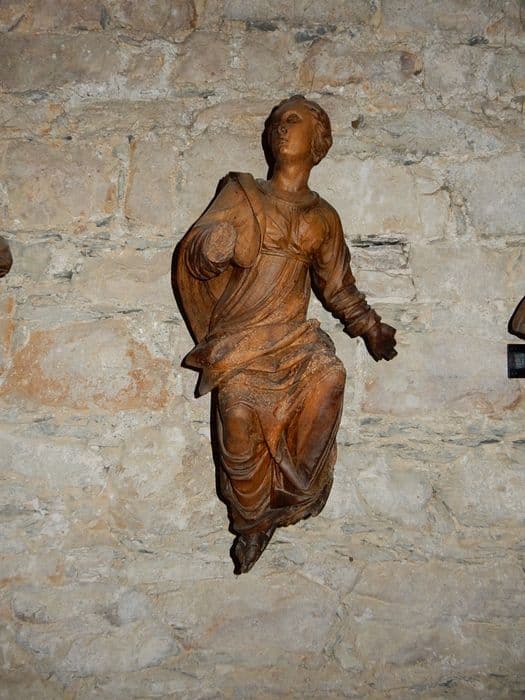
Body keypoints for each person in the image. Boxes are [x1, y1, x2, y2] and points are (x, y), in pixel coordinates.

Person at [174, 96, 397, 573]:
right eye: (275, 121)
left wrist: (371, 327)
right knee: (237, 416)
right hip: (241, 341)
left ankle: (296, 491)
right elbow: (196, 252)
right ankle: (251, 519)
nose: (280, 127)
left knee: (330, 377)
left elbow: (337, 287)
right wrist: (212, 249)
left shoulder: (323, 217)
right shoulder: (242, 194)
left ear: (318, 141)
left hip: (293, 339)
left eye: (293, 121)